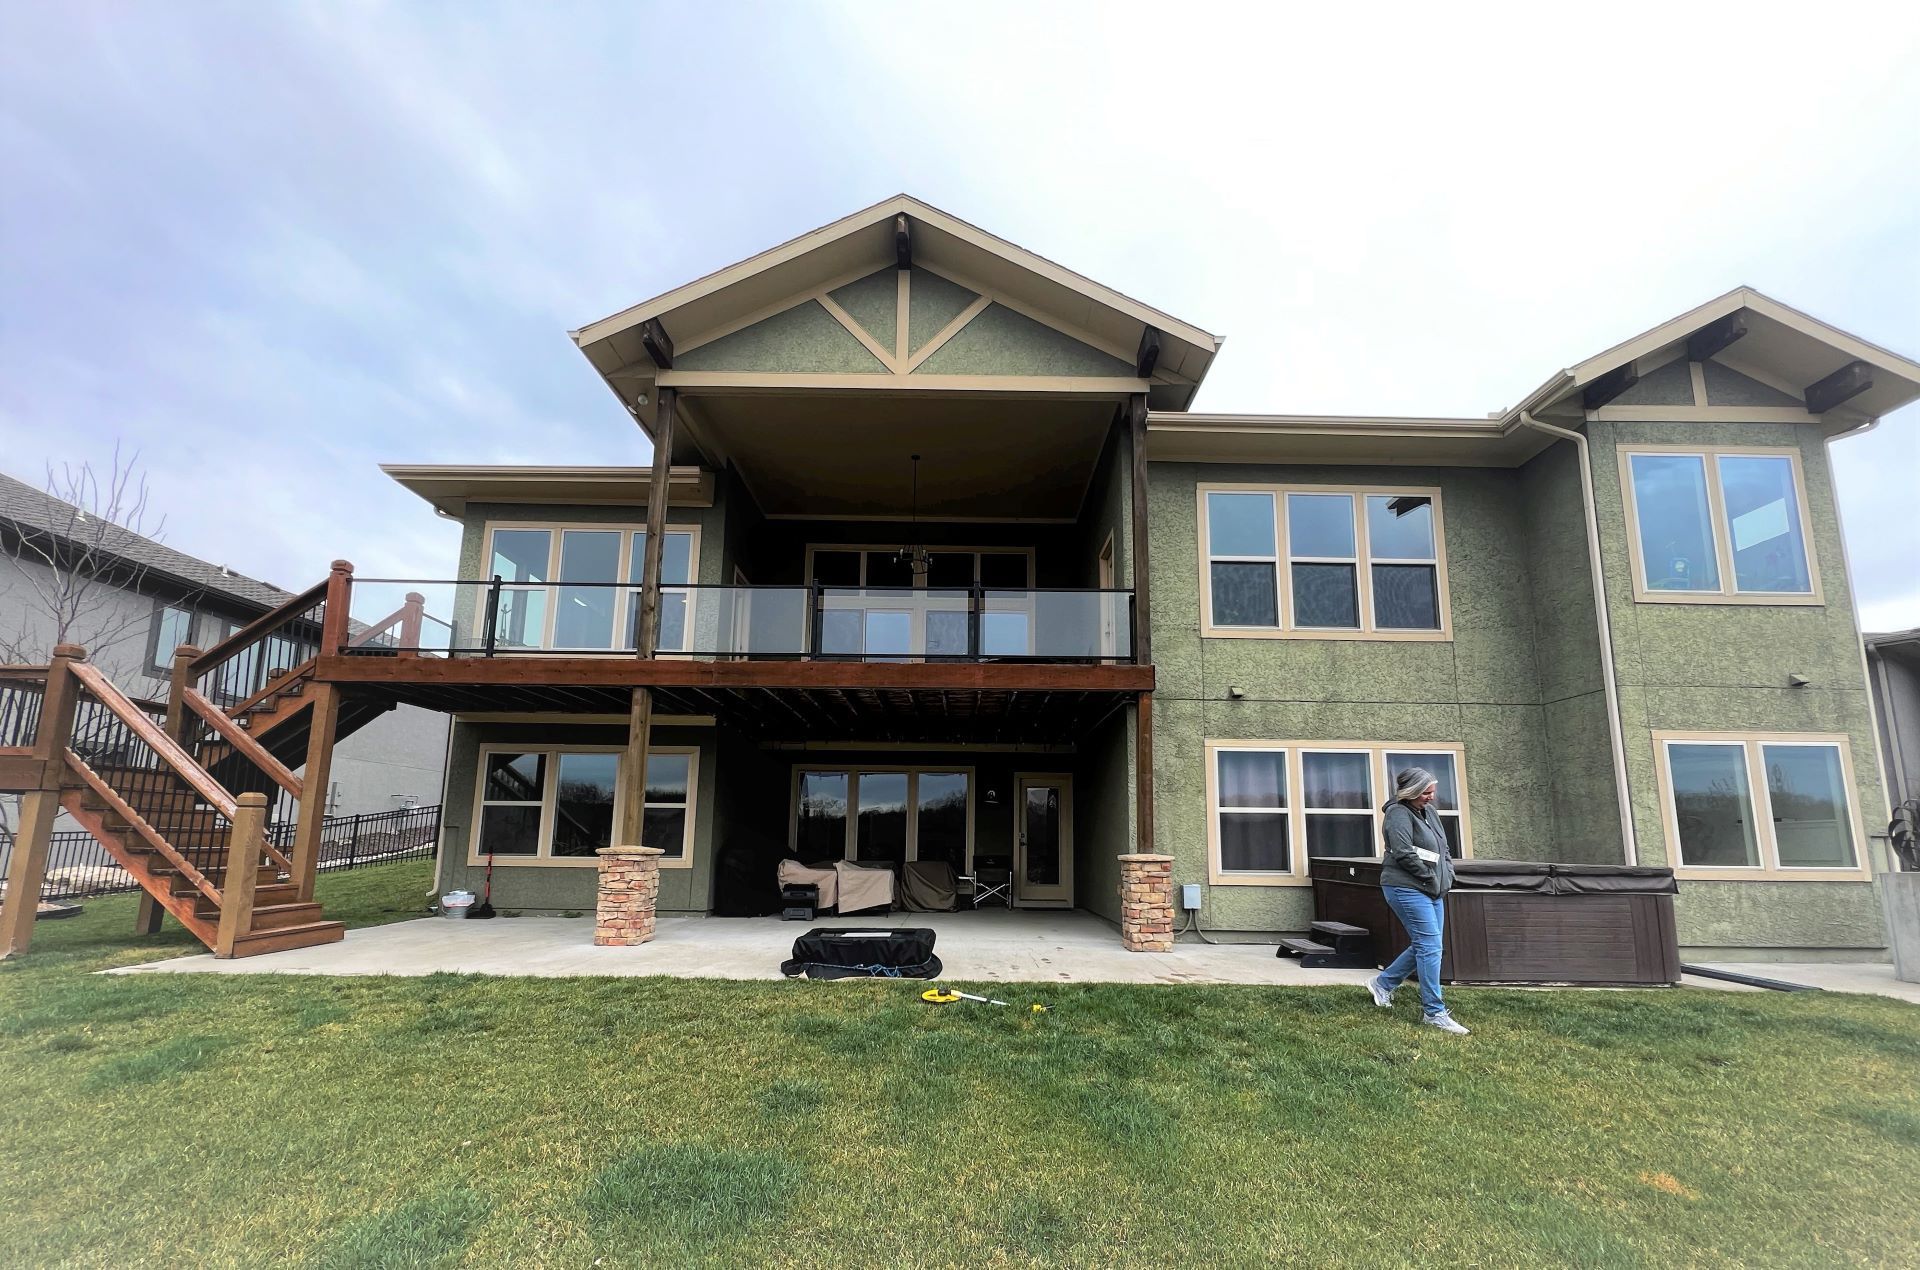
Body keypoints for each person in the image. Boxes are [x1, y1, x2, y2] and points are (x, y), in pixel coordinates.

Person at [1365, 767, 1469, 1034]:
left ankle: (1383, 984)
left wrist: (1448, 873)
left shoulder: (1429, 813)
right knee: (1430, 946)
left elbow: (1443, 847)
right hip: (1406, 887)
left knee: (1429, 945)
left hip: (1433, 887)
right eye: (1425, 792)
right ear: (1410, 791)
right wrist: (1429, 878)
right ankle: (1434, 1012)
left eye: (1432, 791)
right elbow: (1403, 853)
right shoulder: (1397, 814)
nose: (1431, 797)